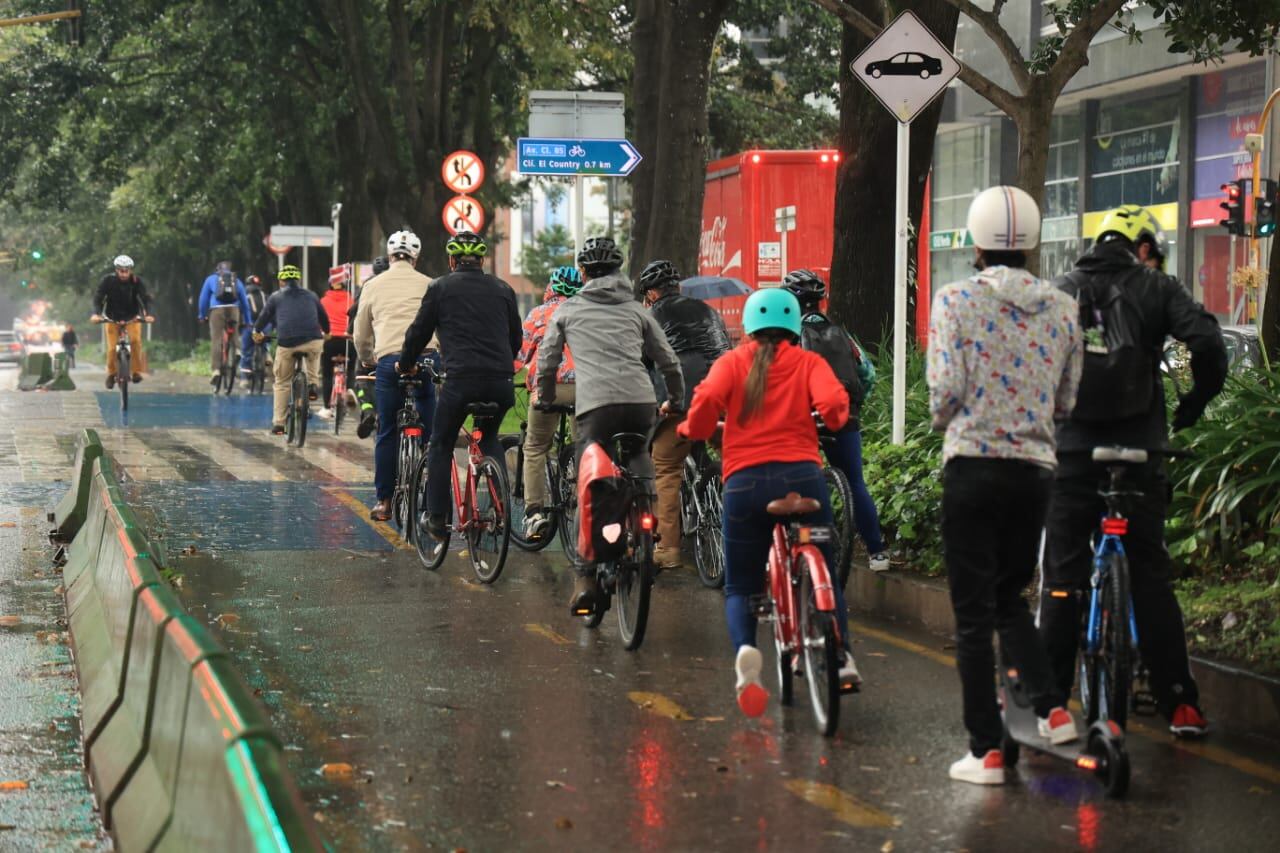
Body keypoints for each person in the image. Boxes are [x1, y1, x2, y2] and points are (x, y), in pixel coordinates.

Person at [1041, 203, 1228, 739]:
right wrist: (1193, 405)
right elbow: (1209, 344)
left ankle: (1050, 706)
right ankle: (1181, 705)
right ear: (1143, 247)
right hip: (1141, 451)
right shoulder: (1157, 288)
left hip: (1074, 452)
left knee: (1062, 578)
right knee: (1150, 573)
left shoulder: (1059, 289)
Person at [926, 186, 1083, 785]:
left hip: (972, 467)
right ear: (1033, 242)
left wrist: (959, 416)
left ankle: (986, 750)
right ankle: (1054, 709)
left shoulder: (956, 300)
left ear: (975, 241)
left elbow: (943, 396)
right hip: (1035, 473)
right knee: (1010, 596)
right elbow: (1067, 399)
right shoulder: (1062, 307)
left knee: (972, 616)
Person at [678, 287, 860, 718]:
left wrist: (694, 428)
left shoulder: (730, 363)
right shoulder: (809, 362)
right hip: (804, 479)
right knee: (827, 570)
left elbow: (703, 409)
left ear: (749, 328)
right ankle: (842, 655)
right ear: (795, 327)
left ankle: (746, 652)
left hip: (745, 486)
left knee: (740, 586)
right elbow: (835, 406)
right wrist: (833, 420)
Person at [536, 237, 684, 615]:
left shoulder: (568, 310)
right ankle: (647, 530)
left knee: (592, 482)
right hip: (640, 403)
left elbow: (548, 362)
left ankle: (586, 577)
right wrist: (677, 400)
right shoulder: (638, 310)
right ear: (619, 273)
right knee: (638, 455)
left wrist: (547, 396)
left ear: (583, 273)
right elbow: (668, 360)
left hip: (596, 408)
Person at [400, 231, 521, 541]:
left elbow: (418, 332)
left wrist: (406, 361)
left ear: (452, 260)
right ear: (482, 261)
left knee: (441, 443)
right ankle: (501, 506)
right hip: (501, 382)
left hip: (461, 382)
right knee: (490, 435)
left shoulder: (439, 288)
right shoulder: (504, 289)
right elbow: (515, 340)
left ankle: (438, 519)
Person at [782, 268, 890, 574]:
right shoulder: (842, 334)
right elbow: (867, 374)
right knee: (855, 482)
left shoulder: (788, 336)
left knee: (798, 478)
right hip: (844, 416)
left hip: (802, 419)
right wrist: (854, 404)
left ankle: (806, 544)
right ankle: (877, 552)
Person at [637, 259, 731, 570]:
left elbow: (641, 364)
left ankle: (668, 550)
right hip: (722, 391)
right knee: (733, 458)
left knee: (665, 468)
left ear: (651, 294)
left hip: (681, 399)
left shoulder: (650, 316)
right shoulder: (707, 310)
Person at [354, 232, 435, 521]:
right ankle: (430, 478)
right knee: (431, 423)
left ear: (390, 257)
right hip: (426, 359)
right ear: (416, 258)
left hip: (389, 362)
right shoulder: (429, 284)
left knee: (387, 429)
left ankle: (384, 501)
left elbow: (361, 332)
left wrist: (367, 361)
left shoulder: (373, 285)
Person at [516, 265, 583, 541]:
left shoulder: (538, 314)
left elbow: (520, 356)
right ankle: (583, 503)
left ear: (552, 288)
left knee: (535, 447)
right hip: (584, 389)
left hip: (548, 389)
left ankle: (534, 514)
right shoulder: (588, 312)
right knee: (585, 447)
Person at [253, 265, 328, 435]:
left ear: (281, 281)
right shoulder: (311, 295)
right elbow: (323, 317)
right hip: (312, 339)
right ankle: (313, 386)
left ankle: (279, 424)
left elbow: (263, 317)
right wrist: (328, 332)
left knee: (281, 382)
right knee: (314, 354)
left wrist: (256, 331)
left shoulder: (275, 297)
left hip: (287, 343)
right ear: (298, 280)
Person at [90, 255, 154, 388]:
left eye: (126, 271)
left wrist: (148, 314)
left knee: (136, 341)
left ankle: (136, 372)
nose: (124, 274)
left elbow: (145, 298)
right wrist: (96, 314)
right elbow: (99, 297)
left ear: (130, 270)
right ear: (116, 270)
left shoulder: (136, 281)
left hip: (132, 317)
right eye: (121, 271)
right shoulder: (108, 281)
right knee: (112, 348)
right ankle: (111, 374)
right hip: (112, 317)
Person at [350, 255, 391, 440]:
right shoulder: (398, 285)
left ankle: (368, 411)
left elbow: (356, 312)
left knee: (361, 377)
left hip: (373, 341)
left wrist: (349, 330)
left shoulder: (367, 286)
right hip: (395, 343)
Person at [198, 261, 252, 385]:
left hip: (217, 310)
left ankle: (216, 370)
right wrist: (248, 320)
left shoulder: (211, 279)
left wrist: (202, 315)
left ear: (217, 269)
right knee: (235, 332)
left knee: (216, 340)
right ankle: (238, 350)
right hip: (234, 309)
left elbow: (203, 299)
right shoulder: (236, 281)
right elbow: (244, 301)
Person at [317, 272, 354, 420]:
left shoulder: (323, 301)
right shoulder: (350, 300)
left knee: (326, 374)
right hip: (347, 341)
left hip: (330, 341)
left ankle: (326, 407)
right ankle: (350, 391)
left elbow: (318, 321)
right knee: (351, 369)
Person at [239, 275, 269, 375]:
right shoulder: (265, 295)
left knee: (246, 350)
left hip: (250, 326)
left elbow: (240, 311)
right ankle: (266, 359)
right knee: (264, 344)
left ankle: (245, 376)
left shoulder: (244, 295)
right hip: (264, 326)